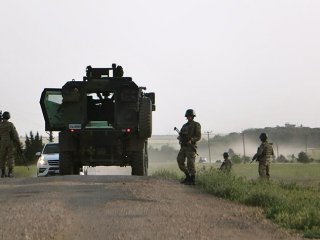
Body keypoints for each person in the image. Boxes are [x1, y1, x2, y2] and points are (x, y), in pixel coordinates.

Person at [176, 109, 201, 185]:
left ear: (193, 116)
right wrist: (180, 138)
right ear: (186, 116)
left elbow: (198, 136)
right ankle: (188, 177)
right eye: (188, 116)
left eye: (190, 116)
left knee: (190, 163)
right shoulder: (184, 126)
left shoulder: (196, 125)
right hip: (183, 147)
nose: (189, 117)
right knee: (179, 160)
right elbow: (181, 135)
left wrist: (192, 140)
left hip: (191, 147)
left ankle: (192, 179)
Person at [0, 111, 20, 178]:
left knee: (2, 157)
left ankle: (2, 173)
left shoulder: (0, 125)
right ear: (8, 116)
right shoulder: (10, 124)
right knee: (10, 157)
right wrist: (18, 142)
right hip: (9, 142)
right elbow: (15, 135)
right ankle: (10, 173)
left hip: (2, 143)